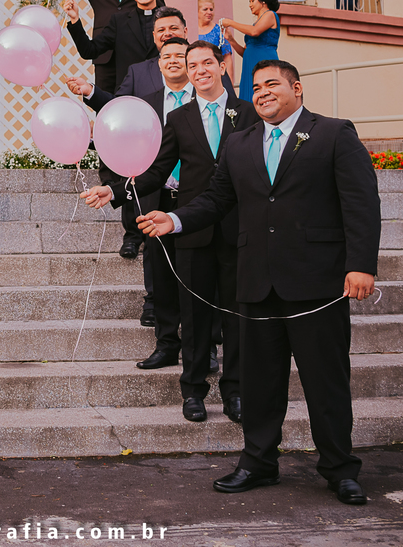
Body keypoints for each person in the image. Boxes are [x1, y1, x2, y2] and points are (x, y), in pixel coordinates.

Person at [137, 60, 380, 505]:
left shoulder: (333, 133)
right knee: (259, 383)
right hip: (255, 282)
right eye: (256, 86)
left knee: (325, 381)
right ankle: (258, 462)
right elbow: (216, 199)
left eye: (273, 84)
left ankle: (340, 468)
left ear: (297, 88)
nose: (263, 92)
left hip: (316, 282)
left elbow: (361, 202)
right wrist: (174, 219)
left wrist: (361, 264)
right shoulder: (240, 142)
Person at [81, 41, 260, 424]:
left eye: (207, 63)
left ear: (222, 66)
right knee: (193, 317)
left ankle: (235, 391)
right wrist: (115, 190)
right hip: (191, 230)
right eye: (193, 65)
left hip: (238, 230)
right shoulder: (179, 118)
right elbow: (157, 171)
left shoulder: (247, 113)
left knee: (236, 317)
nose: (200, 70)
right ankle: (193, 391)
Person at [66, 38, 192, 338]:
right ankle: (163, 333)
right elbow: (118, 108)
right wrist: (91, 91)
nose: (173, 60)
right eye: (167, 56)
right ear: (158, 64)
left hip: (195, 193)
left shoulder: (206, 102)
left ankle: (203, 341)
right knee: (155, 255)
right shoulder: (146, 102)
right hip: (155, 187)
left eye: (180, 55)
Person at [64, 0, 167, 259]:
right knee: (129, 168)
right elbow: (90, 50)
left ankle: (161, 229)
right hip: (130, 103)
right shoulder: (120, 20)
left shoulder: (169, 19)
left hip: (167, 101)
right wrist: (75, 21)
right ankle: (132, 235)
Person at [220, 0, 280, 103]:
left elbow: (254, 31)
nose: (250, 5)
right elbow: (245, 52)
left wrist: (231, 23)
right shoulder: (255, 24)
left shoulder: (270, 14)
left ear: (263, 2)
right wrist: (231, 40)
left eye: (252, 1)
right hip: (249, 66)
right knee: (248, 98)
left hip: (265, 62)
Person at [196, 0, 235, 85]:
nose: (209, 12)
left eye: (211, 9)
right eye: (205, 9)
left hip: (215, 74)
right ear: (197, 11)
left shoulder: (219, 30)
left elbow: (227, 58)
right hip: (197, 74)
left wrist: (230, 83)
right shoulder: (192, 29)